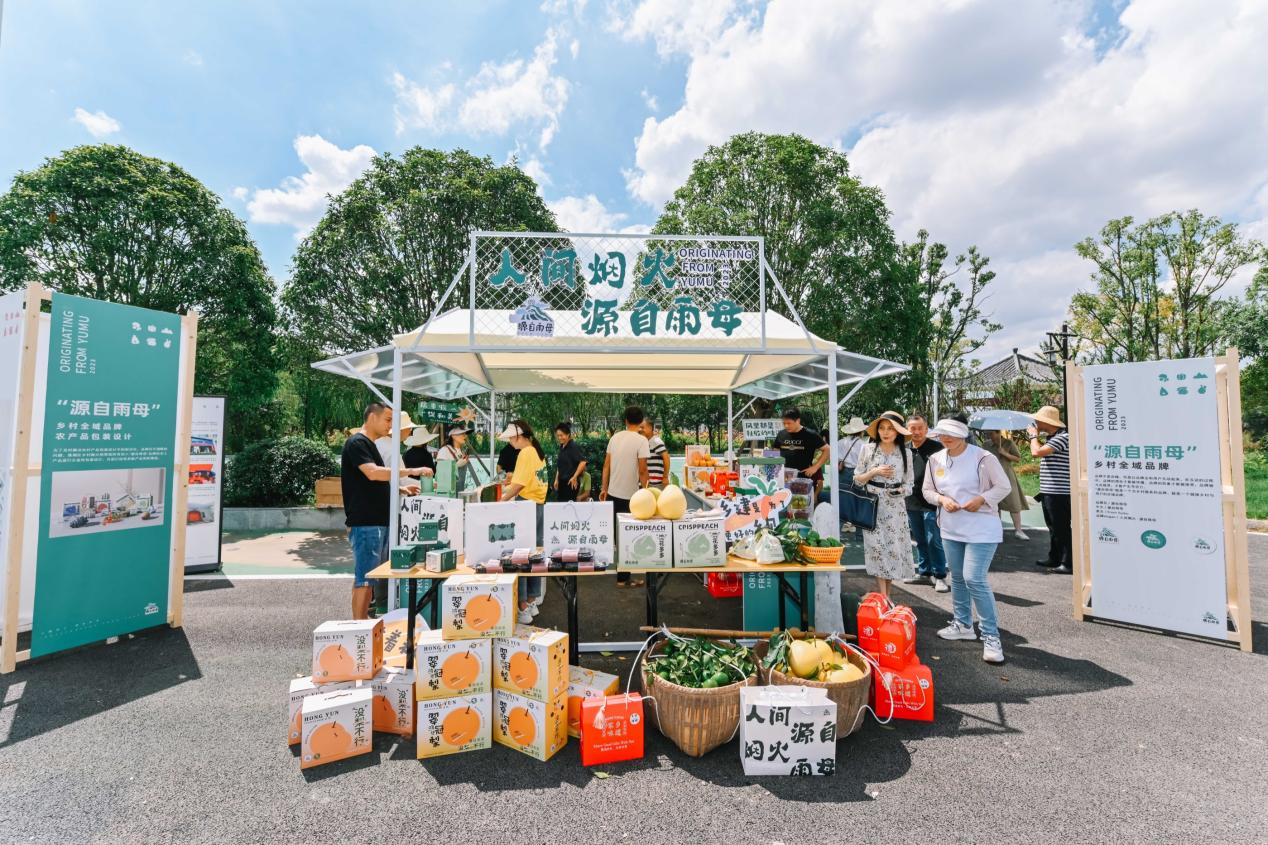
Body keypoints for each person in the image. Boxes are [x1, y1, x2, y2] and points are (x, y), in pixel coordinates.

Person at [923, 418, 1012, 664]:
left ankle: (991, 636)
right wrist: (942, 500)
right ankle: (962, 624)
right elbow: (927, 491)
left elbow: (1003, 487)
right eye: (941, 434)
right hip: (951, 529)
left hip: (982, 529)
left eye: (950, 434)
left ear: (963, 434)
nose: (945, 438)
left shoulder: (983, 457)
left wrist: (982, 499)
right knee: (959, 577)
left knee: (974, 578)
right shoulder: (935, 459)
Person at [341, 403, 424, 619]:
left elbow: (372, 480)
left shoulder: (369, 444)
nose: (391, 426)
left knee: (369, 578)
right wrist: (412, 471)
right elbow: (372, 473)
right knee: (365, 579)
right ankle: (359, 628)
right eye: (388, 420)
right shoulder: (357, 442)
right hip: (367, 522)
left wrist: (400, 487)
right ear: (372, 417)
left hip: (376, 520)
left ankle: (363, 624)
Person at [852, 411, 915, 598]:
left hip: (896, 508)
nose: (886, 432)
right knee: (877, 549)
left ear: (898, 432)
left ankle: (887, 595)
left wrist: (900, 491)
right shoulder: (867, 449)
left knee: (893, 549)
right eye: (882, 428)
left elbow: (910, 484)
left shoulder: (907, 453)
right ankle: (884, 596)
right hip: (873, 506)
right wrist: (874, 472)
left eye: (891, 429)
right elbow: (857, 479)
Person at [498, 419, 548, 622]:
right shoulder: (535, 451)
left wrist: (503, 499)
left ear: (519, 436)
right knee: (534, 553)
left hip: (526, 505)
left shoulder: (525, 453)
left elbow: (519, 484)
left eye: (511, 437)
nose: (510, 441)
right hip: (537, 505)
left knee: (522, 556)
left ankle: (523, 605)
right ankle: (532, 600)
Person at [600, 406, 650, 586]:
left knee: (618, 537)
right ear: (641, 422)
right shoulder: (641, 441)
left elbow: (606, 466)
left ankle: (623, 576)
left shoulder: (615, 438)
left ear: (626, 420)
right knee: (628, 536)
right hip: (632, 496)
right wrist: (646, 491)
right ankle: (624, 577)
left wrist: (604, 488)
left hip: (613, 493)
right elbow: (643, 470)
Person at [902, 414, 949, 592]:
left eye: (920, 428)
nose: (916, 432)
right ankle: (924, 571)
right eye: (912, 428)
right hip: (911, 501)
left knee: (933, 539)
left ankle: (940, 575)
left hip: (932, 502)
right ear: (907, 429)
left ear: (927, 429)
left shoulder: (937, 449)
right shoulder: (905, 449)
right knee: (920, 539)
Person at [1028, 405, 1071, 573]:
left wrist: (1033, 436)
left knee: (1061, 527)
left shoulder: (1063, 437)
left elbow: (1036, 452)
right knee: (1053, 527)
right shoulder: (1053, 437)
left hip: (1059, 492)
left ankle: (1068, 562)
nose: (1036, 422)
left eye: (1038, 419)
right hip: (1050, 491)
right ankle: (1055, 558)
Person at [984, 430, 1030, 540]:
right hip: (991, 477)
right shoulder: (986, 445)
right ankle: (997, 530)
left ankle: (1018, 530)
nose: (990, 436)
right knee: (994, 504)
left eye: (992, 434)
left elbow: (1018, 459)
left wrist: (1005, 453)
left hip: (1007, 476)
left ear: (998, 432)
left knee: (1014, 503)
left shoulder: (1009, 443)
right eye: (988, 434)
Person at [775, 408, 828, 495]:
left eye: (789, 423)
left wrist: (815, 467)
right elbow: (776, 451)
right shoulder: (781, 434)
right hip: (783, 480)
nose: (786, 426)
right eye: (784, 423)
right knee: (784, 505)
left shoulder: (811, 434)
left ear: (798, 421)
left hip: (803, 480)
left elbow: (827, 449)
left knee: (800, 506)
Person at [553, 422, 587, 502]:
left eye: (561, 435)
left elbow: (583, 462)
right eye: (558, 436)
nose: (559, 438)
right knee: (561, 507)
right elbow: (560, 465)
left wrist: (574, 476)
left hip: (570, 484)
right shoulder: (562, 446)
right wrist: (556, 479)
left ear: (568, 434)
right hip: (562, 482)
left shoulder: (573, 446)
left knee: (568, 509)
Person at [641, 417, 670, 489]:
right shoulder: (648, 442)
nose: (640, 430)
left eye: (642, 427)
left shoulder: (656, 441)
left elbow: (666, 458)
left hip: (658, 483)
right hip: (651, 482)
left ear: (650, 428)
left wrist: (665, 477)